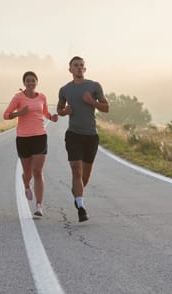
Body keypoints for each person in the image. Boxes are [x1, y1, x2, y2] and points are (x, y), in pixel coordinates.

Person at [57, 56, 109, 222]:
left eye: (81, 66)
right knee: (76, 171)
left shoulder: (94, 86)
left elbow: (106, 108)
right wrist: (66, 111)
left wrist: (92, 101)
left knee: (84, 177)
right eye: (75, 66)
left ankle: (77, 195)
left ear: (85, 69)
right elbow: (59, 110)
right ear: (70, 69)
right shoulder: (64, 89)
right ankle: (81, 208)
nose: (79, 68)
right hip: (73, 135)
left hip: (91, 136)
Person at [3, 71, 58, 217]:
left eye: (33, 80)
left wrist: (51, 117)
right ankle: (27, 185)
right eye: (28, 81)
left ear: (36, 82)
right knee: (27, 173)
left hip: (40, 136)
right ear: (24, 83)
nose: (30, 83)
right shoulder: (18, 97)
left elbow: (45, 112)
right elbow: (6, 115)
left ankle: (39, 206)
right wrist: (19, 113)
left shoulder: (42, 97)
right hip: (23, 138)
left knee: (38, 172)